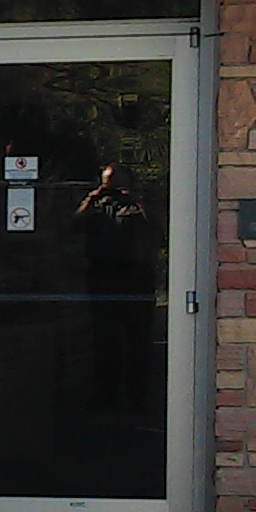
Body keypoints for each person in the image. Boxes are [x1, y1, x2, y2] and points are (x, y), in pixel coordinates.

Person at [77, 163, 157, 409]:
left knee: (137, 342)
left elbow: (158, 228)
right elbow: (75, 224)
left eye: (113, 182)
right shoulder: (99, 206)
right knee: (105, 341)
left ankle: (137, 397)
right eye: (105, 182)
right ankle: (106, 394)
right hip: (103, 277)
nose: (109, 187)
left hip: (136, 279)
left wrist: (135, 199)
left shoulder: (138, 205)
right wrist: (93, 197)